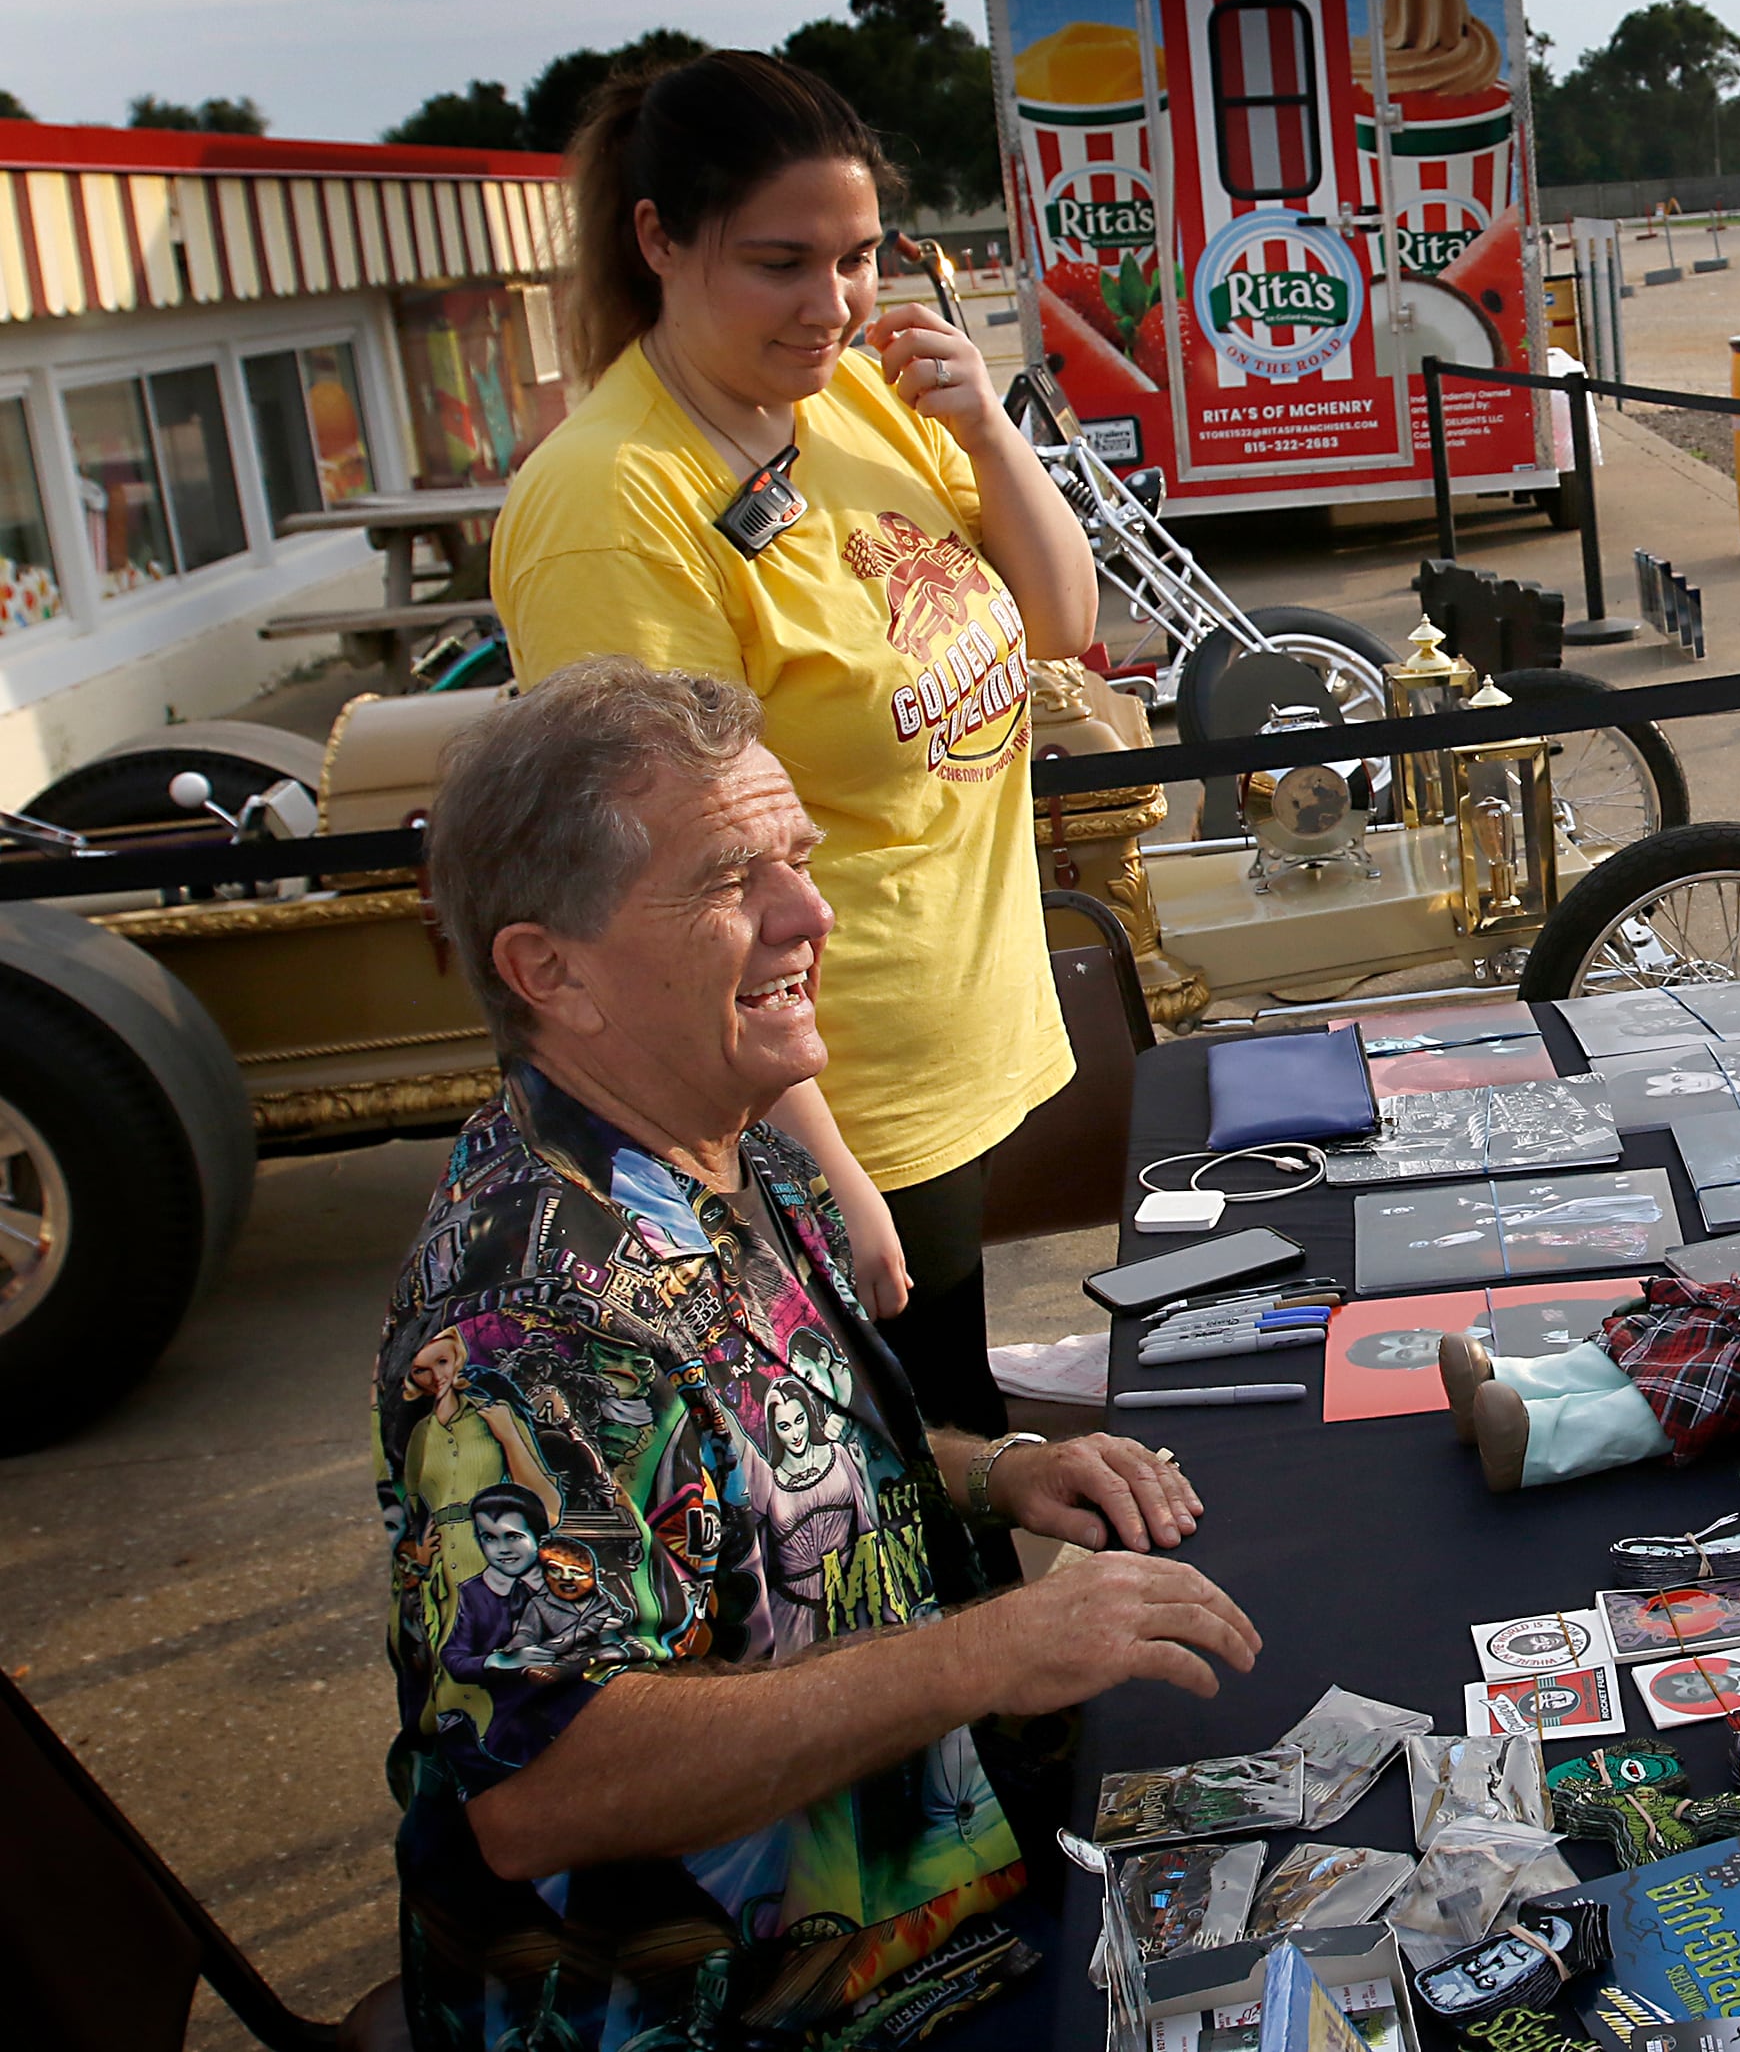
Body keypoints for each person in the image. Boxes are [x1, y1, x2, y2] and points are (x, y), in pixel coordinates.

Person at [379, 659, 1255, 2051]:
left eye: (798, 856)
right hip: (748, 2008)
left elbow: (764, 1465)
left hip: (929, 1890)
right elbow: (544, 1780)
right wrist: (984, 1651)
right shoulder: (533, 1327)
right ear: (550, 968)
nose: (811, 911)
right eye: (733, 878)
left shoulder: (726, 1147)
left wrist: (995, 1473)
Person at [495, 51, 1101, 1455]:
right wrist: (821, 1168)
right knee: (911, 1546)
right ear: (659, 239)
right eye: (781, 262)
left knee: (972, 1482)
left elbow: (1064, 622)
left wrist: (988, 431)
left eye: (858, 256)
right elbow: (680, 885)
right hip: (830, 1110)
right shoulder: (615, 504)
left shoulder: (849, 394)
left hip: (958, 1057)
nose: (830, 303)